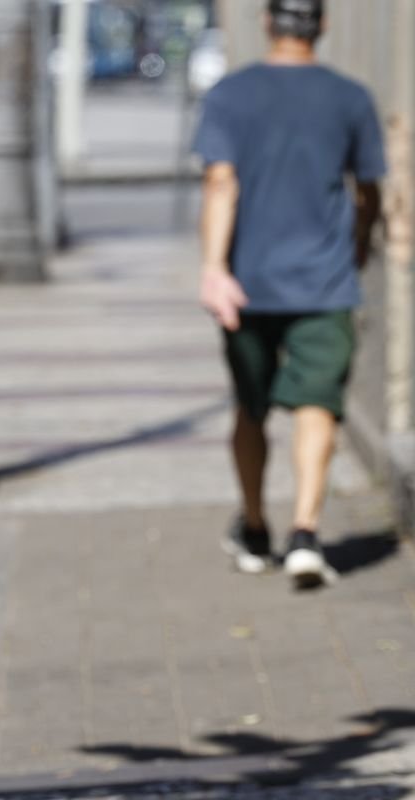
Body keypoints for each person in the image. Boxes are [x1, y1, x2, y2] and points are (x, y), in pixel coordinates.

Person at [193, 0, 383, 588]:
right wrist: (355, 244)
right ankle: (305, 533)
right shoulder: (351, 98)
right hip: (325, 282)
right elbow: (368, 190)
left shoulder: (230, 95)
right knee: (317, 403)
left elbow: (221, 182)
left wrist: (213, 267)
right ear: (322, 26)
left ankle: (255, 527)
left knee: (250, 407)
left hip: (248, 285)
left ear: (267, 22)